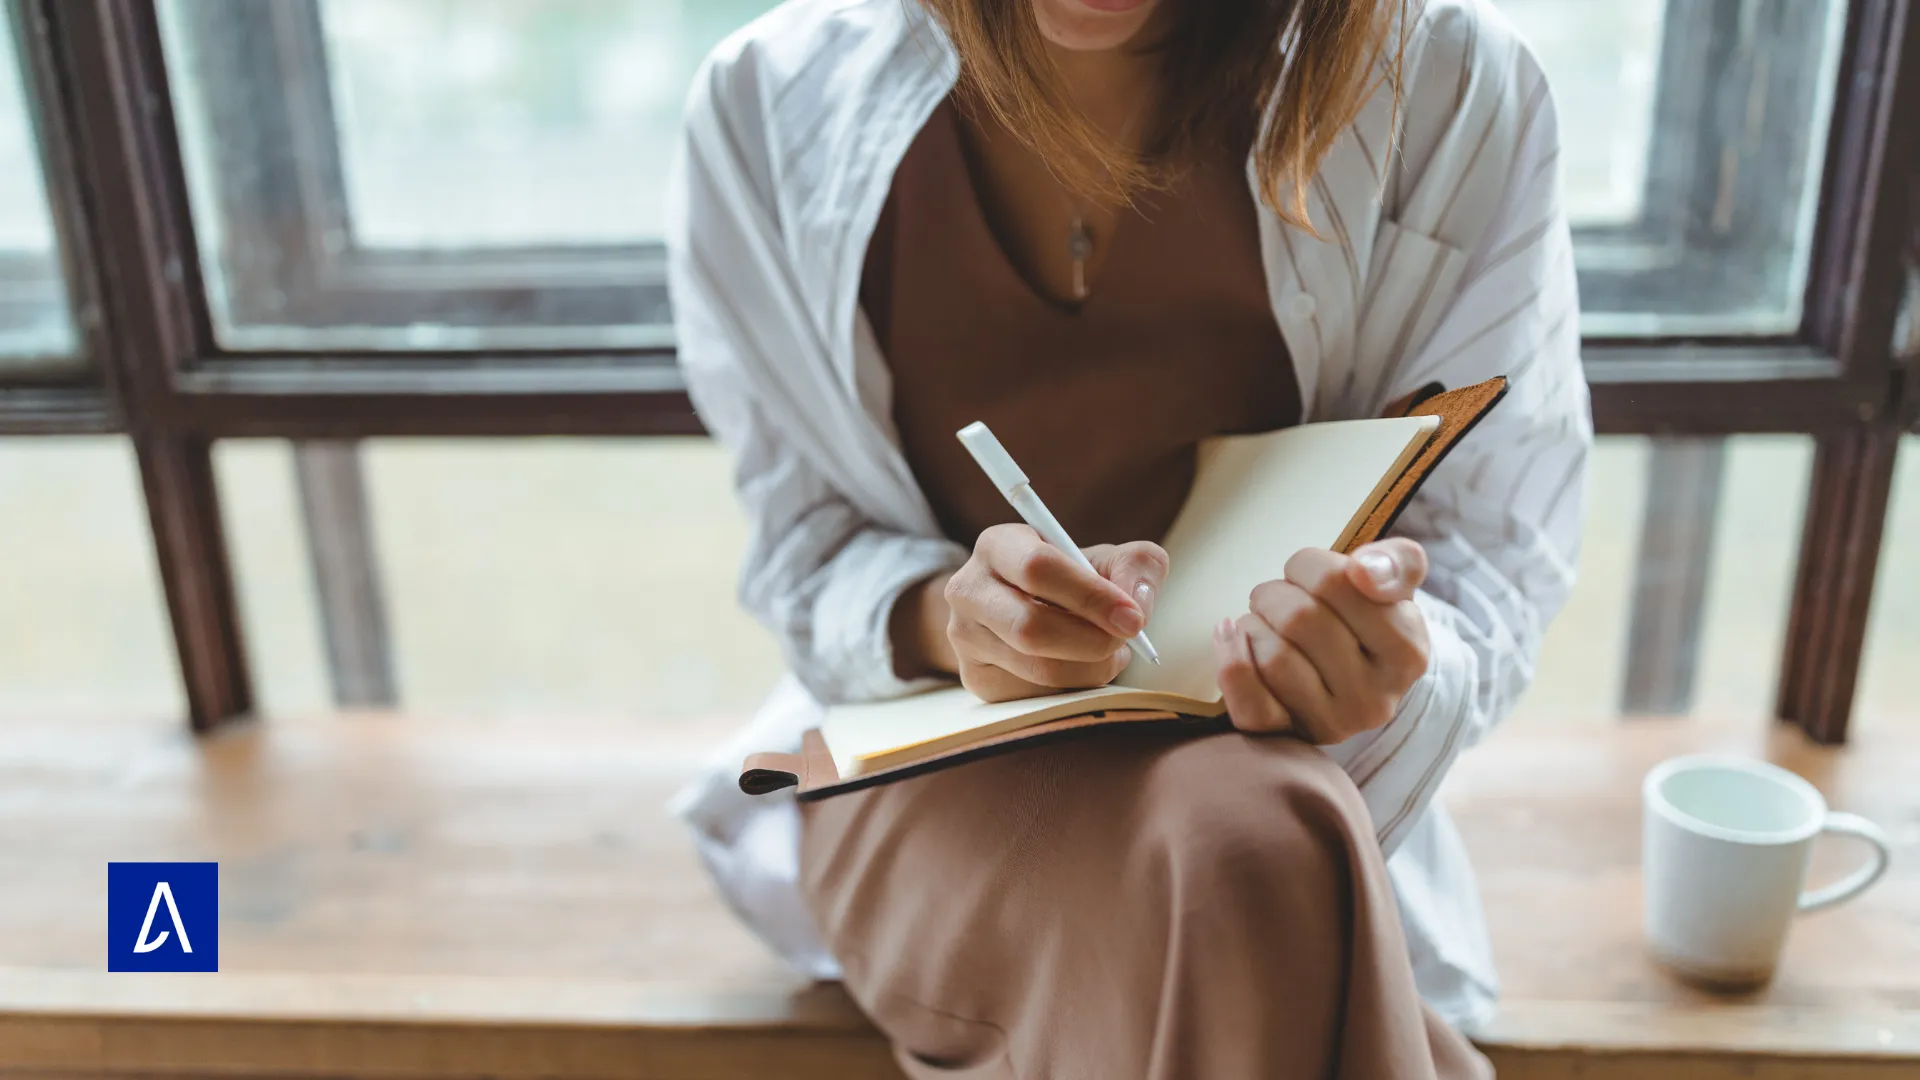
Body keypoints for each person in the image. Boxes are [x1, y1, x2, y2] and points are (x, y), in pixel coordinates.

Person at [666, 0, 1590, 1075]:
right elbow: (806, 544)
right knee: (1256, 851)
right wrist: (952, 622)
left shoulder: (1447, 85)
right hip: (921, 772)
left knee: (1246, 836)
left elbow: (1488, 555)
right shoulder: (765, 105)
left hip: (1288, 775)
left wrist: (1384, 661)